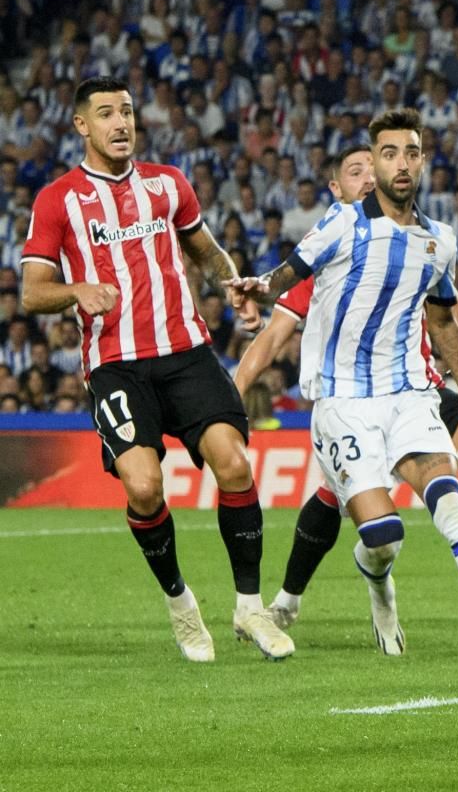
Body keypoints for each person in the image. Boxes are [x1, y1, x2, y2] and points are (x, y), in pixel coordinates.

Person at [21, 75, 294, 662]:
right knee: (144, 488)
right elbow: (30, 292)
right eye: (105, 114)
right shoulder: (58, 199)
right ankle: (181, 604)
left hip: (186, 352)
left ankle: (250, 609)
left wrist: (232, 282)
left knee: (235, 463)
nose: (120, 123)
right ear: (81, 126)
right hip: (116, 365)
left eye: (126, 112)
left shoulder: (168, 185)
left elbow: (202, 248)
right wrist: (76, 290)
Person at [235, 108, 458, 657]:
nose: (398, 164)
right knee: (382, 536)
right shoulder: (342, 224)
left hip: (411, 392)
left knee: (451, 501)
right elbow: (289, 273)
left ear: (422, 161)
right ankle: (377, 586)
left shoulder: (441, 241)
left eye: (409, 153)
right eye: (386, 154)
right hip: (343, 402)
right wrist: (258, 287)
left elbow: (444, 320)